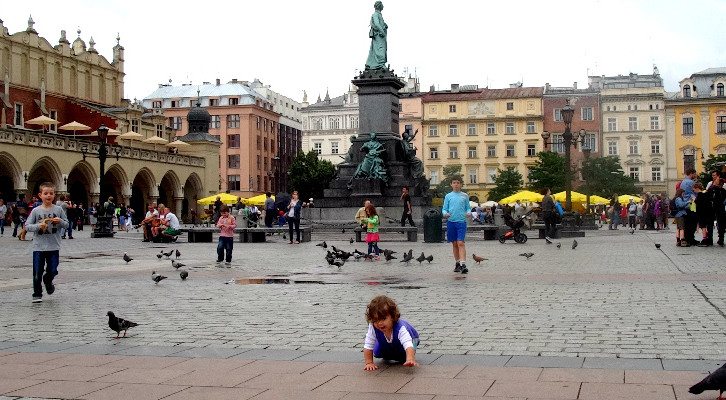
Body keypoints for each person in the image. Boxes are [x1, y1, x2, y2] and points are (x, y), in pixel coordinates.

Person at [25, 182, 68, 303]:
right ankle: (37, 294)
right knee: (37, 272)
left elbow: (67, 224)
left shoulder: (59, 210)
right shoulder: (36, 211)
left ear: (54, 195)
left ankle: (48, 280)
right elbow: (27, 226)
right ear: (40, 195)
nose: (48, 195)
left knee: (53, 270)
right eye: (45, 193)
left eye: (51, 193)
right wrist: (39, 226)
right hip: (39, 247)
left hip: (54, 246)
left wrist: (59, 221)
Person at [363, 295, 418, 371]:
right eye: (375, 320)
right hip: (389, 341)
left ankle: (406, 355)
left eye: (383, 318)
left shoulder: (400, 328)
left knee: (404, 355)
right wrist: (369, 363)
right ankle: (388, 349)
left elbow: (408, 344)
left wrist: (410, 359)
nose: (379, 323)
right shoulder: (373, 327)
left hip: (412, 339)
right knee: (377, 352)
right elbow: (368, 345)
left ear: (392, 316)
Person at [442, 177, 470, 274]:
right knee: (454, 244)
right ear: (451, 184)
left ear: (461, 184)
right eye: (454, 183)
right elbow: (444, 209)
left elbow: (468, 208)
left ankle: (463, 264)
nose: (456, 184)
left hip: (461, 222)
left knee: (460, 243)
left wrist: (469, 213)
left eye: (458, 183)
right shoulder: (448, 196)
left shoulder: (465, 196)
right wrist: (445, 213)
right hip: (451, 222)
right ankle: (457, 263)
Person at [365, 1, 388, 70]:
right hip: (379, 35)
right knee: (380, 49)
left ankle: (371, 64)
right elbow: (377, 24)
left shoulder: (379, 14)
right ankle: (380, 64)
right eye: (382, 5)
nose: (383, 6)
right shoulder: (375, 14)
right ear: (379, 6)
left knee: (374, 50)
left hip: (379, 35)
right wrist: (382, 32)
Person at [707, 171, 726, 246]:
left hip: (720, 207)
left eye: (714, 175)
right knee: (710, 223)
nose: (713, 177)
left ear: (718, 176)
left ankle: (721, 239)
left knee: (721, 223)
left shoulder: (723, 187)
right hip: (711, 207)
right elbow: (707, 193)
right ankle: (710, 239)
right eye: (712, 175)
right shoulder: (710, 184)